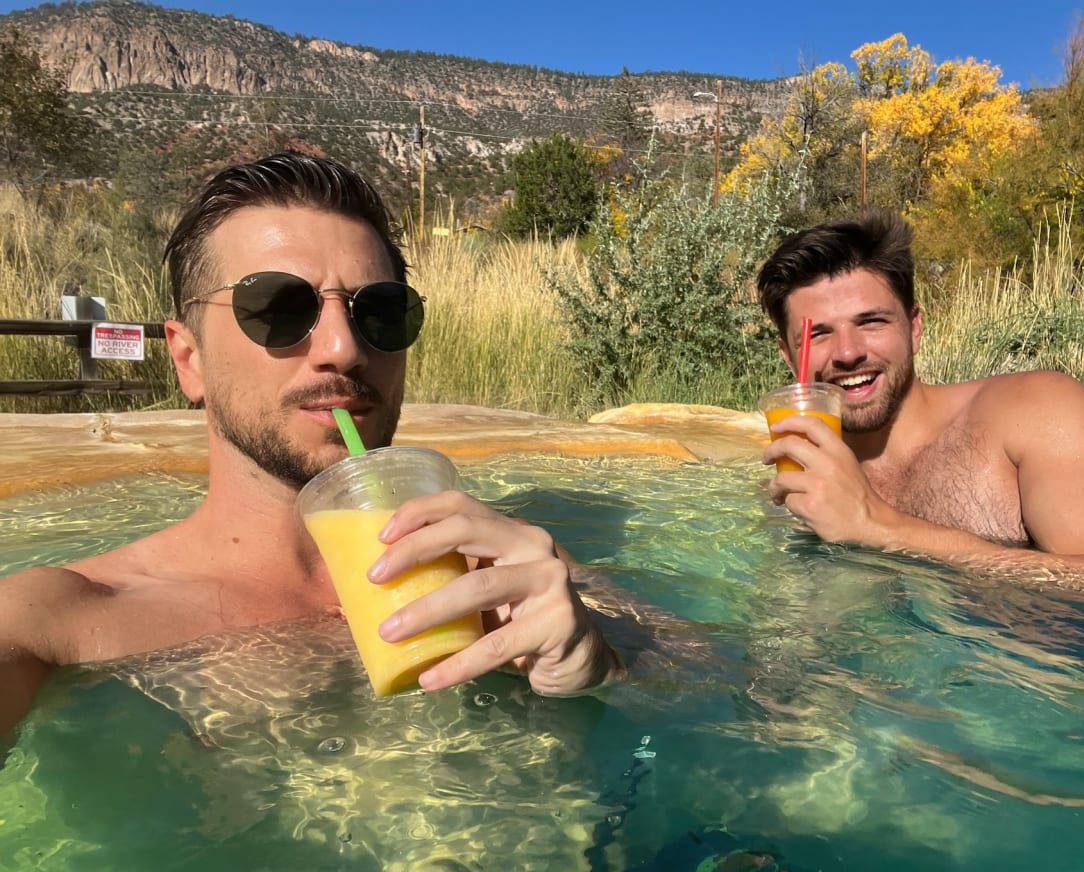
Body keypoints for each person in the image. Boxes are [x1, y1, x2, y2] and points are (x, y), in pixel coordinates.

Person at [0, 152, 624, 734]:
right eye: (278, 306)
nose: (344, 349)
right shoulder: (61, 622)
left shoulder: (509, 565)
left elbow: (705, 689)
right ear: (188, 358)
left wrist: (596, 666)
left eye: (379, 311)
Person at [755, 209, 1084, 572]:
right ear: (790, 357)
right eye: (821, 334)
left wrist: (880, 526)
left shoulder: (1038, 411)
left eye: (871, 322)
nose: (848, 353)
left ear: (914, 327)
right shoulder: (802, 476)